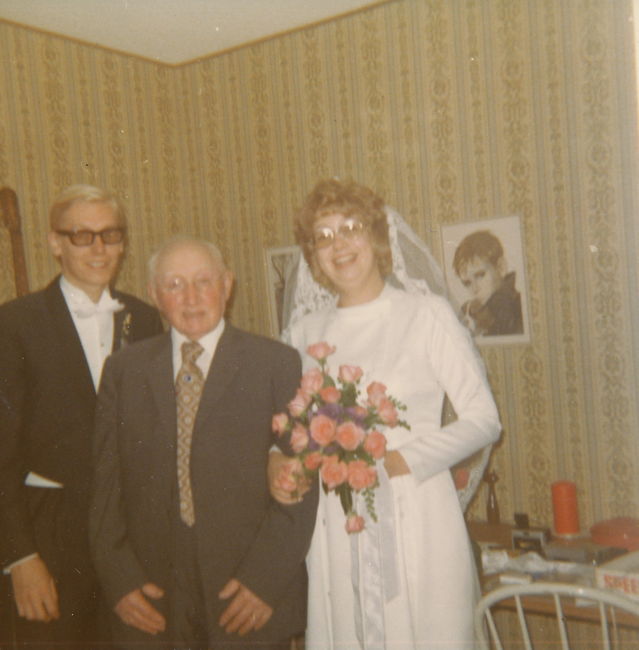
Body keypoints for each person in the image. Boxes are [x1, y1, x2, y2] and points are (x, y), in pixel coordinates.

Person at [269, 178, 501, 649]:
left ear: (375, 237)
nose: (339, 245)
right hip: (337, 521)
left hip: (415, 508)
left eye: (350, 228)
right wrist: (279, 460)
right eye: (324, 236)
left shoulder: (425, 314)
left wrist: (400, 461)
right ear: (312, 255)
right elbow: (291, 429)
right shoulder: (303, 332)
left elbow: (483, 419)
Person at [89, 236, 318, 650]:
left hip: (244, 594)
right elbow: (104, 489)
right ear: (153, 294)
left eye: (203, 282)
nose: (191, 298)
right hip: (152, 596)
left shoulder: (276, 364)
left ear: (227, 286)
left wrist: (265, 581)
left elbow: (300, 484)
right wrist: (120, 581)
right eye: (174, 285)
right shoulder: (123, 372)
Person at [0, 184, 163, 648]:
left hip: (130, 536)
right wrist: (19, 558)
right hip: (49, 535)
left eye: (110, 235)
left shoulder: (145, 319)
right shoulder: (14, 325)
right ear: (55, 243)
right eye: (82, 236)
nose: (98, 248)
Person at [452, 229, 523, 336]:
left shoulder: (517, 307)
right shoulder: (469, 312)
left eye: (480, 276)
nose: (475, 289)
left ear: (501, 267)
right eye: (467, 283)